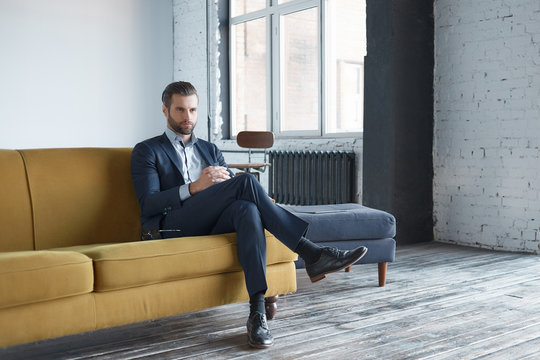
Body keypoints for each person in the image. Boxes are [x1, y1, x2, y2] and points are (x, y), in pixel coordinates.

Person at [130, 81, 368, 349]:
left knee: (247, 208)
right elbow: (149, 204)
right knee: (245, 183)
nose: (188, 117)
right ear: (165, 110)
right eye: (180, 110)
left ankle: (256, 313)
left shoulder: (210, 149)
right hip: (169, 226)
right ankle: (310, 251)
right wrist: (194, 187)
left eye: (193, 110)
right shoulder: (147, 150)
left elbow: (234, 191)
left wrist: (219, 186)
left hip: (209, 220)